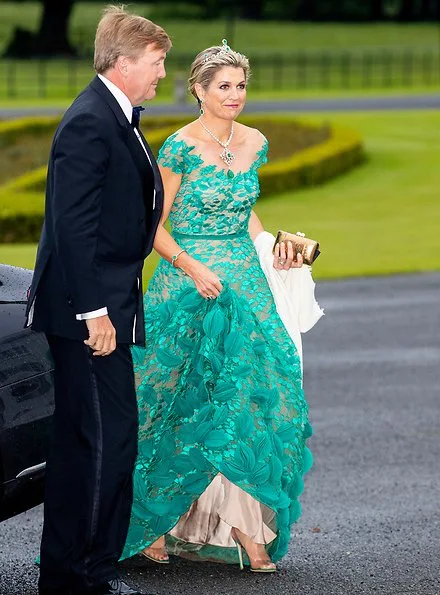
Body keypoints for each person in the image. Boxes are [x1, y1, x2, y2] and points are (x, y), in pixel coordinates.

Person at [121, 41, 315, 572]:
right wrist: (191, 266)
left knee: (249, 401)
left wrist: (274, 247)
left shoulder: (255, 142)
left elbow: (246, 215)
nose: (234, 95)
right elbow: (151, 226)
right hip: (187, 284)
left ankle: (247, 529)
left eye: (241, 86)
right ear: (199, 90)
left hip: (245, 284)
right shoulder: (179, 148)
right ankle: (155, 519)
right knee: (173, 401)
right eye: (223, 86)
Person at [25, 6, 171, 594]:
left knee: (99, 438)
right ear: (124, 62)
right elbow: (72, 225)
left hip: (104, 305)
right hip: (89, 314)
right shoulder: (91, 121)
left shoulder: (117, 117)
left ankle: (77, 571)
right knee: (101, 442)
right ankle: (83, 575)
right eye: (157, 62)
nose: (163, 72)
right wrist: (94, 313)